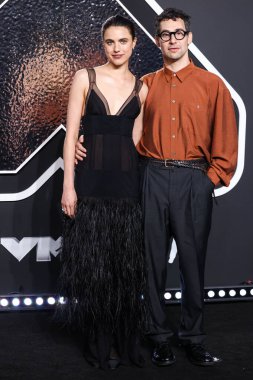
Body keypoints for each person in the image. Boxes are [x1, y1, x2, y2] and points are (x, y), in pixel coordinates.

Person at [75, 8, 238, 367]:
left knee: (192, 264)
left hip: (194, 179)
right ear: (156, 40)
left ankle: (193, 338)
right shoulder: (145, 84)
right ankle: (159, 337)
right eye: (165, 34)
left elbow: (226, 142)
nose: (172, 39)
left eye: (178, 33)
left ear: (189, 38)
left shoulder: (212, 85)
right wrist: (76, 142)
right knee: (150, 265)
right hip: (149, 177)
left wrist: (207, 181)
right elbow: (121, 129)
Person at [59, 15, 149, 370]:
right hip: (91, 185)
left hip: (128, 189)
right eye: (110, 42)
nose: (116, 48)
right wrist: (69, 186)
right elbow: (70, 134)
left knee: (124, 271)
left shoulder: (142, 88)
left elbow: (139, 140)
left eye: (122, 41)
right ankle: (101, 343)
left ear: (133, 44)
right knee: (95, 273)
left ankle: (126, 341)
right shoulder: (86, 77)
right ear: (103, 43)